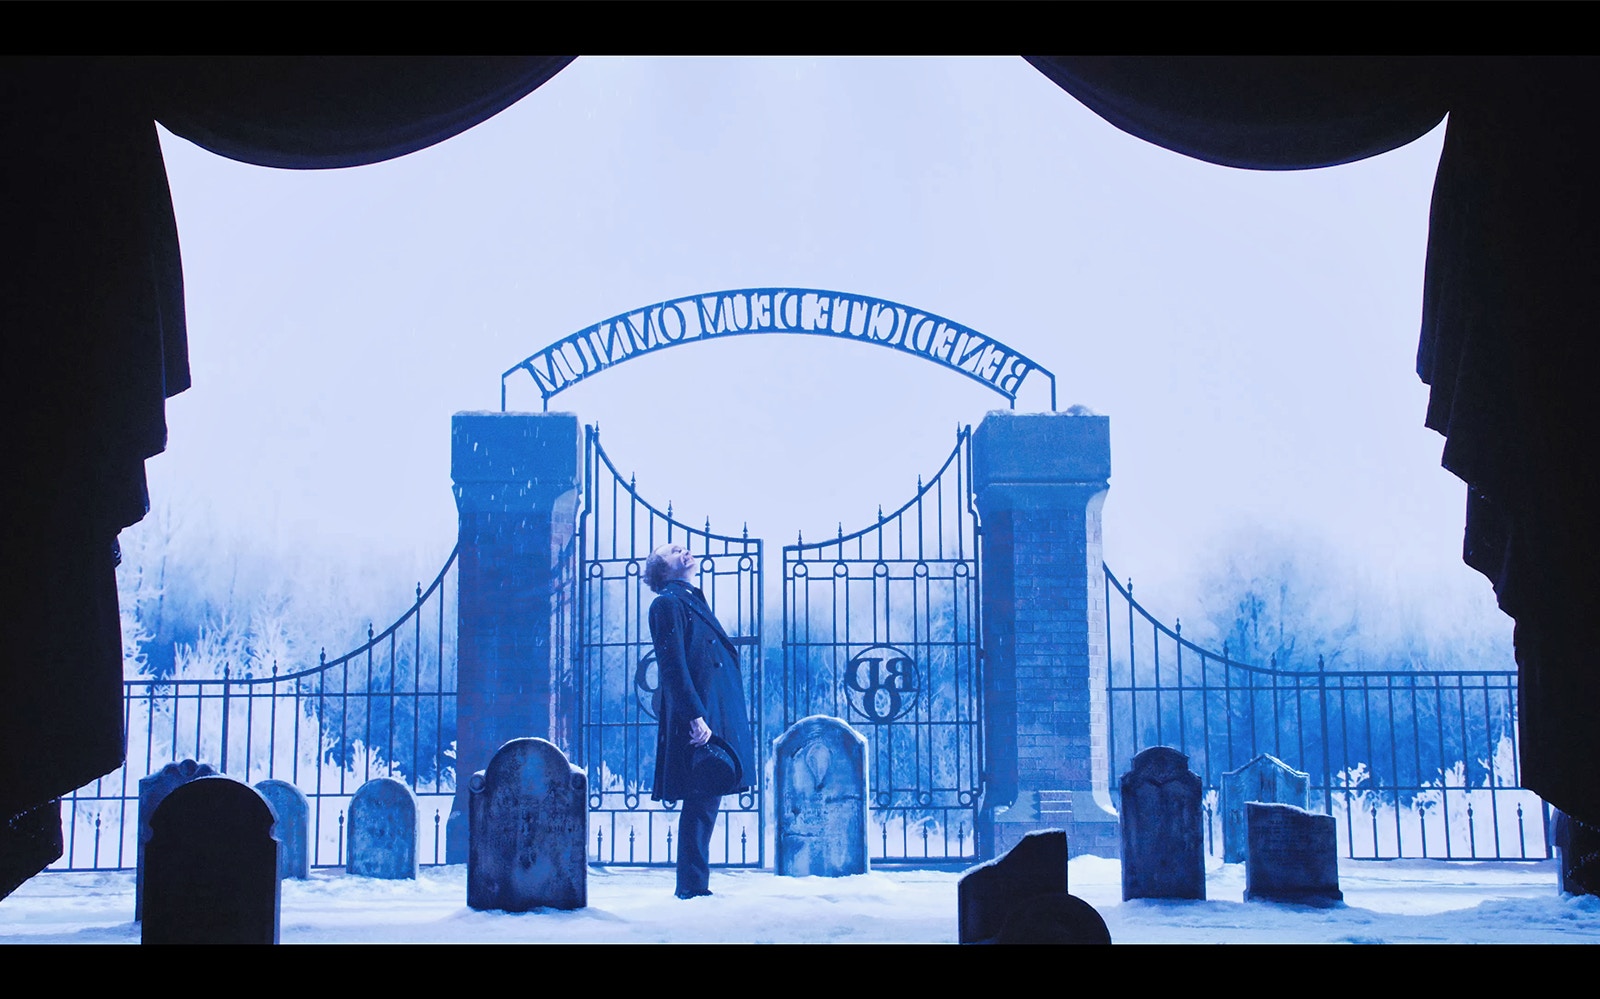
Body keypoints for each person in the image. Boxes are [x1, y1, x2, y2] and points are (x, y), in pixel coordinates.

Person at [643, 541, 755, 899]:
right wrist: (694, 716)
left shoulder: (691, 600)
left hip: (712, 713)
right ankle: (691, 888)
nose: (684, 552)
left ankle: (693, 885)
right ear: (663, 570)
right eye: (673, 552)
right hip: (699, 716)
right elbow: (672, 666)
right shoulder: (667, 603)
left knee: (705, 798)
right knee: (700, 800)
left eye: (683, 548)